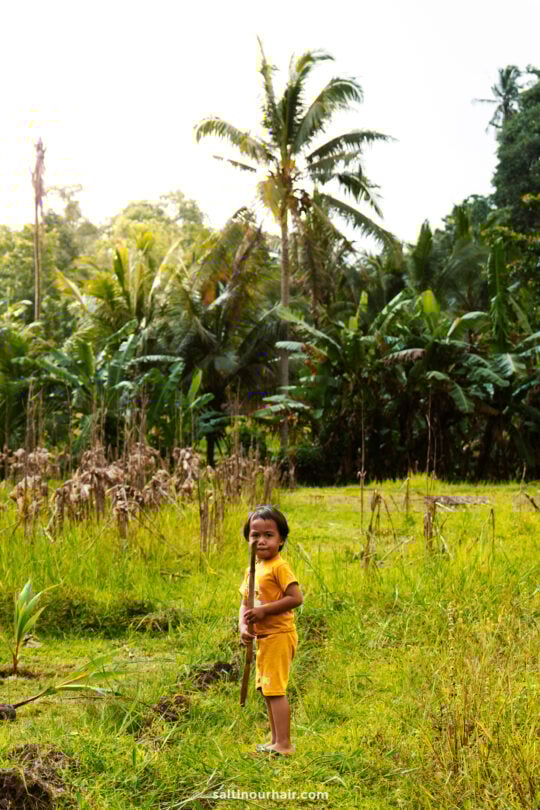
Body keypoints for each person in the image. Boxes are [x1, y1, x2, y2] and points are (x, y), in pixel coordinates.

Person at [239, 505, 303, 756]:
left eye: (268, 535)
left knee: (275, 689)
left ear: (281, 540)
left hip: (279, 635)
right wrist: (244, 626)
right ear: (248, 539)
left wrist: (265, 612)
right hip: (263, 639)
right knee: (267, 689)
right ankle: (276, 741)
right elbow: (245, 604)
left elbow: (296, 597)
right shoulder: (252, 569)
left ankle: (284, 744)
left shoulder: (279, 566)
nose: (261, 541)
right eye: (255, 535)